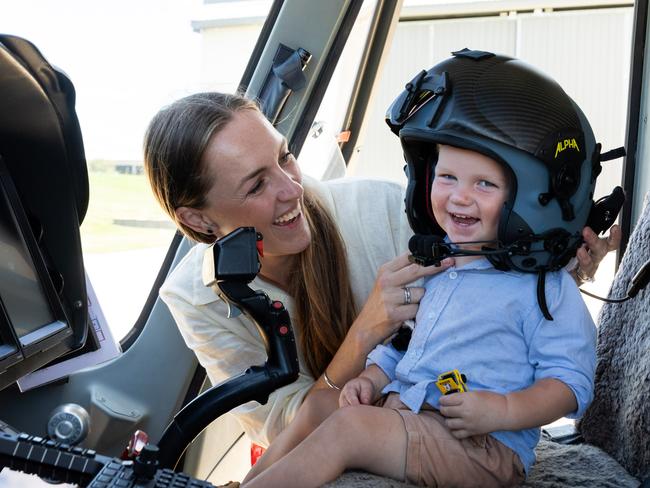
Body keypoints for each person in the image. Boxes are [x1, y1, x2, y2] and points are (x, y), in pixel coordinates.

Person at [143, 91, 618, 451]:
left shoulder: (386, 209)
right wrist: (366, 332)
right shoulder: (195, 298)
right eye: (256, 184)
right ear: (198, 219)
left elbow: (494, 306)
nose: (292, 188)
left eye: (285, 156)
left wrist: (568, 273)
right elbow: (286, 433)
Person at [239, 50, 620, 487]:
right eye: (447, 177)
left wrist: (503, 410)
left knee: (348, 430)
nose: (459, 197)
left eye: (484, 184)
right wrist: (371, 377)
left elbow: (570, 383)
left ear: (531, 196)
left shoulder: (546, 288)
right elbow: (405, 344)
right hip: (410, 412)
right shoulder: (439, 265)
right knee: (321, 407)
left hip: (483, 447)